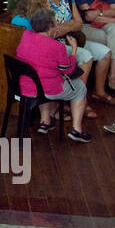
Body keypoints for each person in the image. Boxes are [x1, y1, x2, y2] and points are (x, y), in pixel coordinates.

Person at [41, 0, 115, 105]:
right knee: (86, 56)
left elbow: (79, 23)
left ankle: (99, 92)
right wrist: (69, 25)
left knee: (106, 52)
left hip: (72, 38)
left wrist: (67, 26)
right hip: (56, 44)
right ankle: (78, 100)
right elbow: (52, 30)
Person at [15, 8, 91, 142]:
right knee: (80, 88)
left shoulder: (25, 35)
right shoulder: (57, 46)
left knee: (43, 77)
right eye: (55, 23)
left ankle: (45, 120)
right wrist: (74, 50)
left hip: (24, 86)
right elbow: (68, 70)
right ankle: (77, 130)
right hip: (46, 89)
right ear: (50, 26)